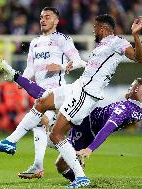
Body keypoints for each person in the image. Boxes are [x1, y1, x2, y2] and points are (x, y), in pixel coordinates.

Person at [0, 14, 142, 188]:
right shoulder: (101, 46)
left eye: (94, 27)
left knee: (56, 134)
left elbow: (139, 58)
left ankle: (81, 177)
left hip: (86, 94)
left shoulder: (117, 41)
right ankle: (10, 142)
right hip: (78, 87)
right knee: (42, 101)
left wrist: (135, 35)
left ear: (102, 28)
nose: (93, 30)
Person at [0, 74, 142, 181]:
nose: (130, 88)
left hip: (86, 121)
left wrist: (90, 149)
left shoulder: (125, 108)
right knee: (46, 106)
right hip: (86, 121)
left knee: (58, 157)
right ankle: (76, 173)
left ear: (140, 90)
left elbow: (107, 128)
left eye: (133, 86)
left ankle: (76, 174)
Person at [10, 7, 88, 179]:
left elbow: (78, 62)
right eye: (41, 17)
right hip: (40, 93)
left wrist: (60, 67)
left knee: (41, 126)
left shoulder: (63, 39)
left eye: (47, 17)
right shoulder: (34, 42)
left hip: (56, 93)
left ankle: (39, 166)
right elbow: (30, 67)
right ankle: (72, 155)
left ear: (56, 21)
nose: (43, 20)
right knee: (48, 133)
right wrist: (22, 80)